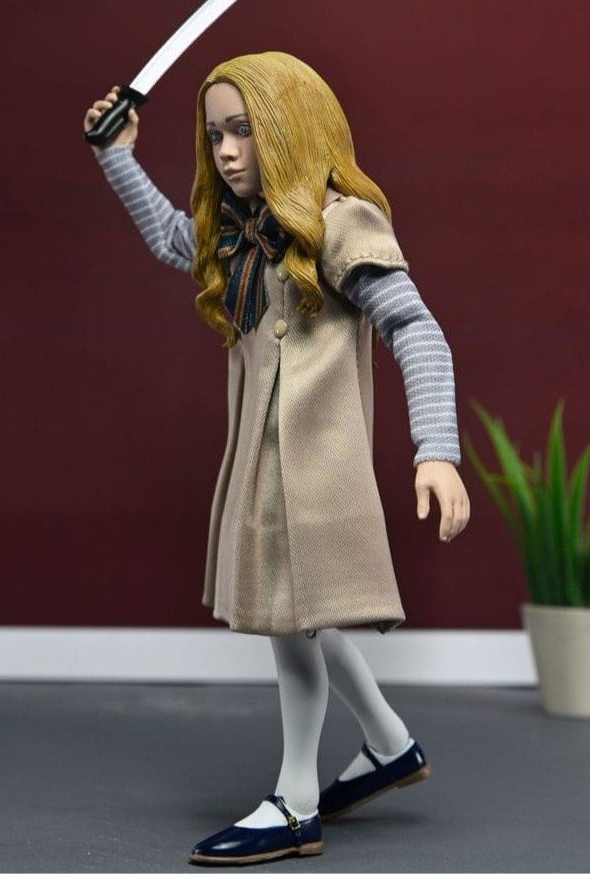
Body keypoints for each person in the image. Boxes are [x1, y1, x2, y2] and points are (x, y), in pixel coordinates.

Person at [84, 52, 470, 867]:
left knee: (292, 625)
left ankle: (295, 804)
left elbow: (415, 328)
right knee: (306, 614)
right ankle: (388, 743)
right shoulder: (240, 228)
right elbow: (171, 237)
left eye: (245, 130)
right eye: (215, 134)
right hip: (262, 455)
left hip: (313, 464)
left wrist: (435, 449)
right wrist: (117, 155)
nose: (226, 151)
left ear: (290, 129)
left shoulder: (342, 223)